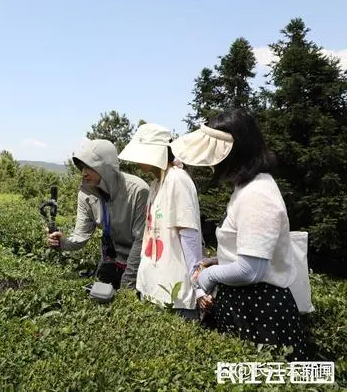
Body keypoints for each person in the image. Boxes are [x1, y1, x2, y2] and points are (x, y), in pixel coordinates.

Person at [171, 109, 308, 361]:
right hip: (247, 304)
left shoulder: (257, 194)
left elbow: (251, 270)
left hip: (260, 310)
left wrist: (208, 277)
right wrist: (217, 260)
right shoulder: (246, 187)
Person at [118, 123, 210, 320]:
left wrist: (198, 284)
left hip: (174, 293)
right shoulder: (157, 183)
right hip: (154, 286)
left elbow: (189, 234)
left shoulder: (178, 179)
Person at [46, 139, 149, 290]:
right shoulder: (86, 194)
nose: (83, 173)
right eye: (82, 167)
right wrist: (62, 242)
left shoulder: (138, 191)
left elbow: (141, 241)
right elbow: (81, 235)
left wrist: (127, 283)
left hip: (138, 264)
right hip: (110, 260)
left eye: (89, 167)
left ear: (106, 167)